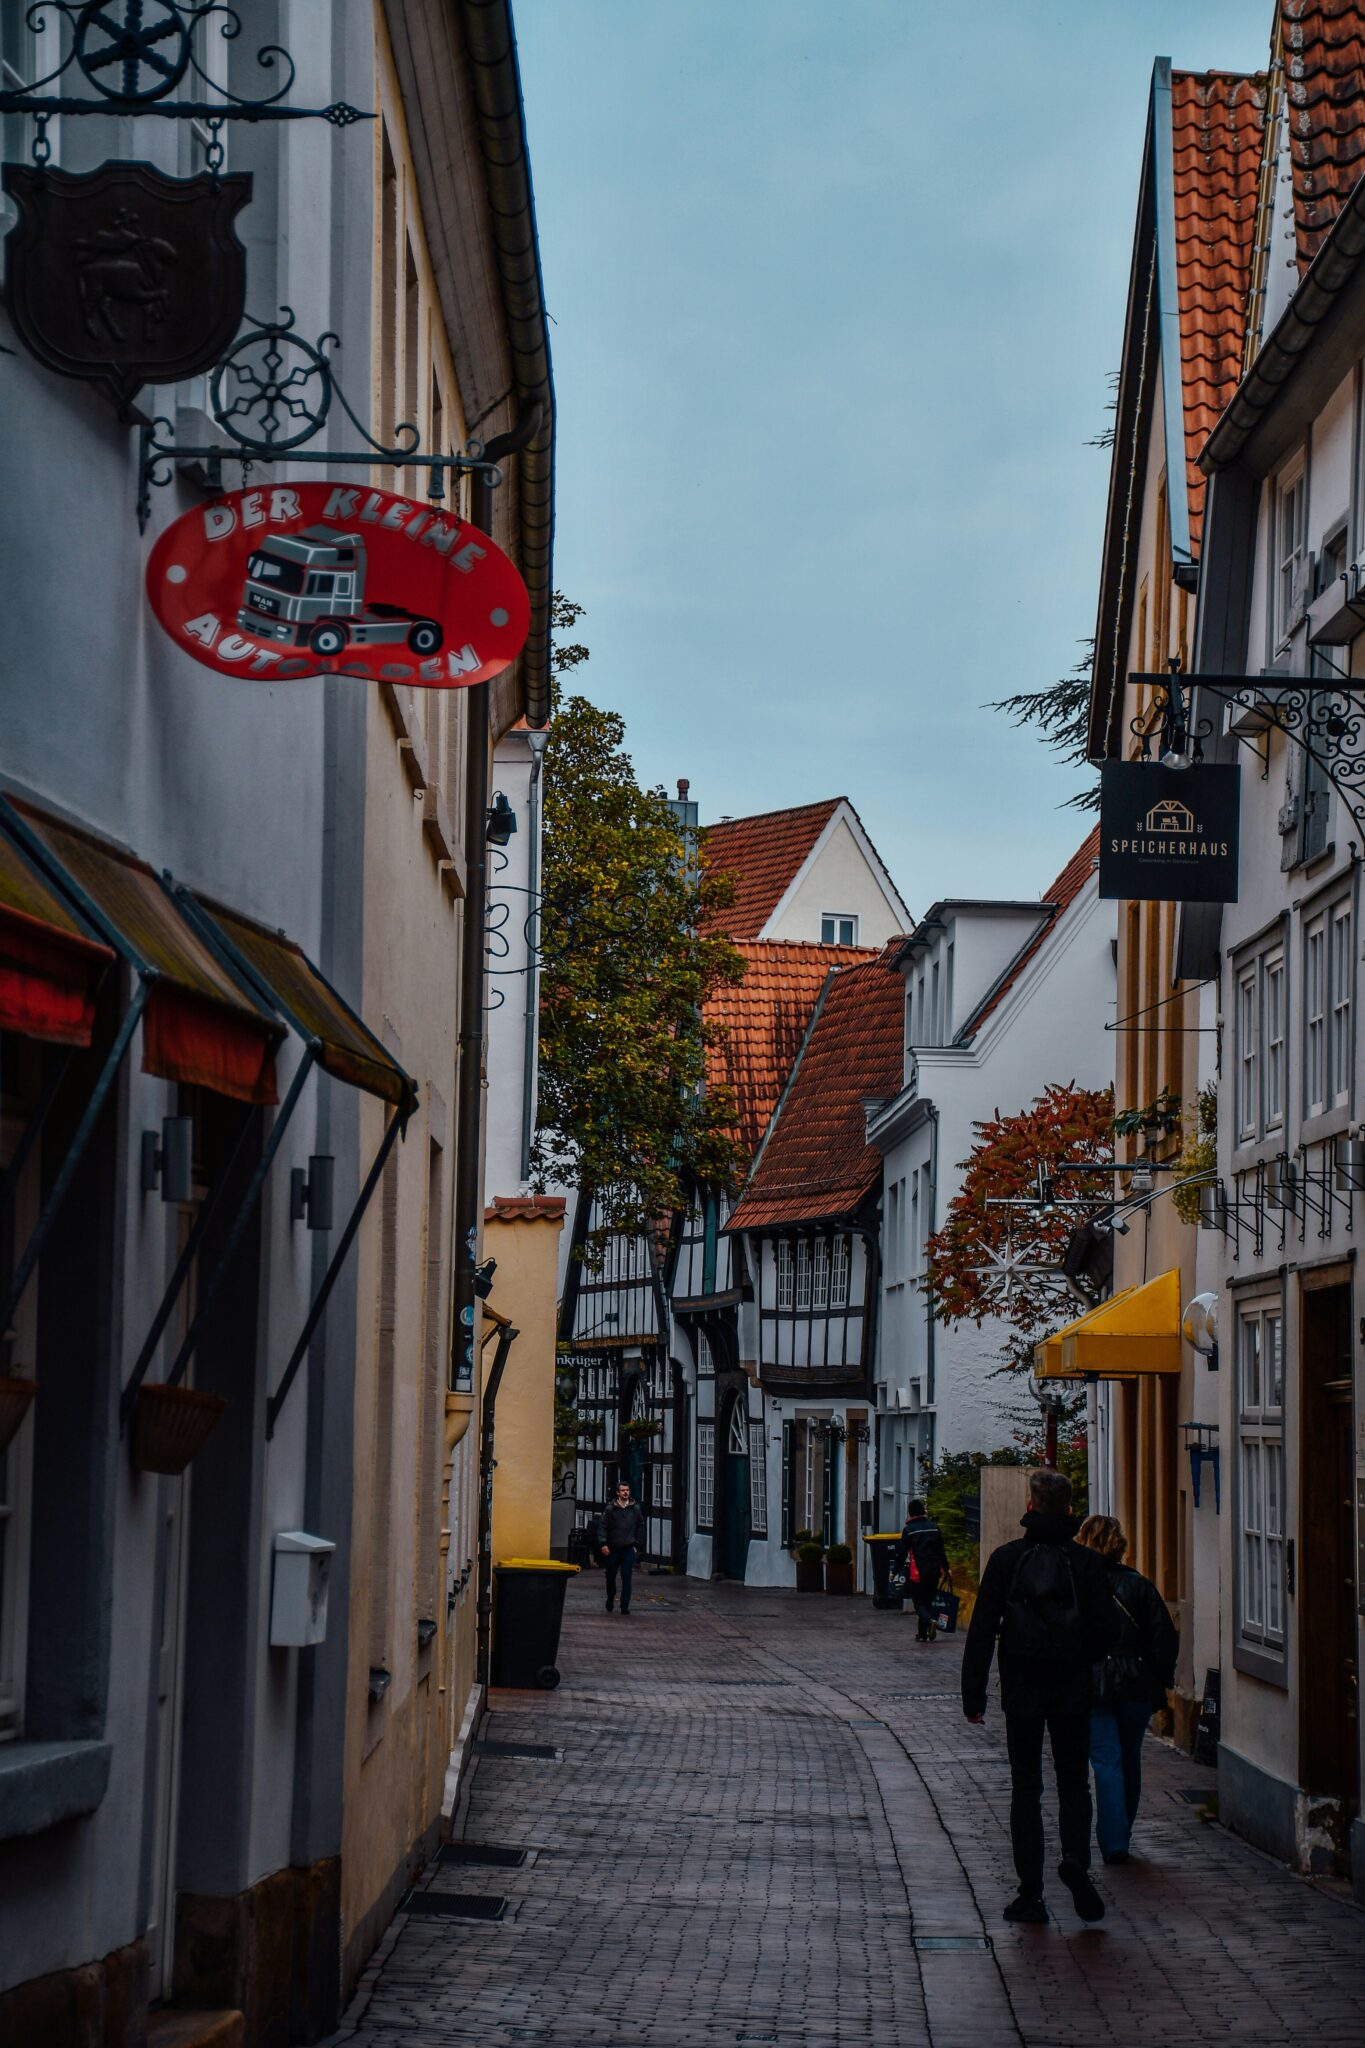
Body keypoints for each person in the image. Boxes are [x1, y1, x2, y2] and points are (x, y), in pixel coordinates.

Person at [961, 1468, 1116, 1926]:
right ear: (1070, 1510)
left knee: (1026, 1788)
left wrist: (975, 1695)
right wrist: (1080, 1657)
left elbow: (983, 1630)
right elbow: (1108, 1631)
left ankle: (1031, 1894)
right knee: (1073, 1781)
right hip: (1072, 1690)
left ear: (1030, 1506)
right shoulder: (1087, 1565)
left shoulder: (1007, 1560)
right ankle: (1074, 1858)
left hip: (1023, 1690)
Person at [1075, 1514, 1178, 1865]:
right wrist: (1160, 1677)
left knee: (1106, 1762)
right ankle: (1122, 1833)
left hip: (1094, 1681)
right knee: (1129, 1759)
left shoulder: (1078, 1586)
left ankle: (1114, 1840)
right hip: (1136, 1682)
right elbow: (1163, 1639)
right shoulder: (1141, 1586)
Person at [898, 1497, 950, 1642]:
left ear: (911, 1513)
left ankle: (930, 1620)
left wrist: (895, 1571)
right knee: (927, 1601)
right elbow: (941, 1551)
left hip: (918, 1573)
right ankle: (922, 1633)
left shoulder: (909, 1530)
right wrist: (947, 1568)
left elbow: (902, 1553)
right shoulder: (934, 1527)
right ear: (923, 1511)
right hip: (934, 1571)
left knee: (919, 1603)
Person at [595, 1480, 645, 1615]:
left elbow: (641, 1526)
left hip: (628, 1547)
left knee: (626, 1576)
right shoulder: (611, 1509)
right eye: (623, 1490)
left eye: (627, 1490)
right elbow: (603, 1527)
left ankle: (624, 1605)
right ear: (618, 1492)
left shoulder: (635, 1509)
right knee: (610, 1576)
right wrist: (603, 1543)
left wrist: (637, 1545)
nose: (625, 1492)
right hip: (613, 1548)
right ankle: (610, 1597)